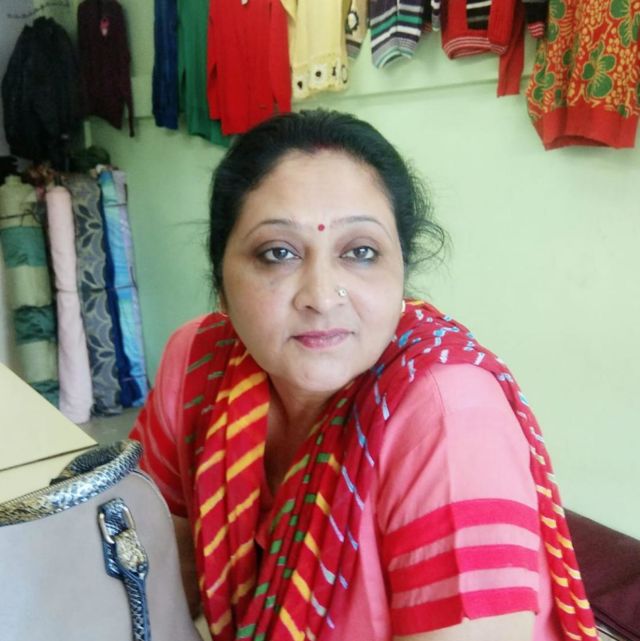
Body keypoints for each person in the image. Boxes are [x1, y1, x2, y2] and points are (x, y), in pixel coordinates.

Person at [130, 109, 597, 641]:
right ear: (221, 282)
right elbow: (151, 574)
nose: (321, 297)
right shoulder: (200, 361)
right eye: (278, 253)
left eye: (360, 252)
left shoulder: (450, 417)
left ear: (402, 274)